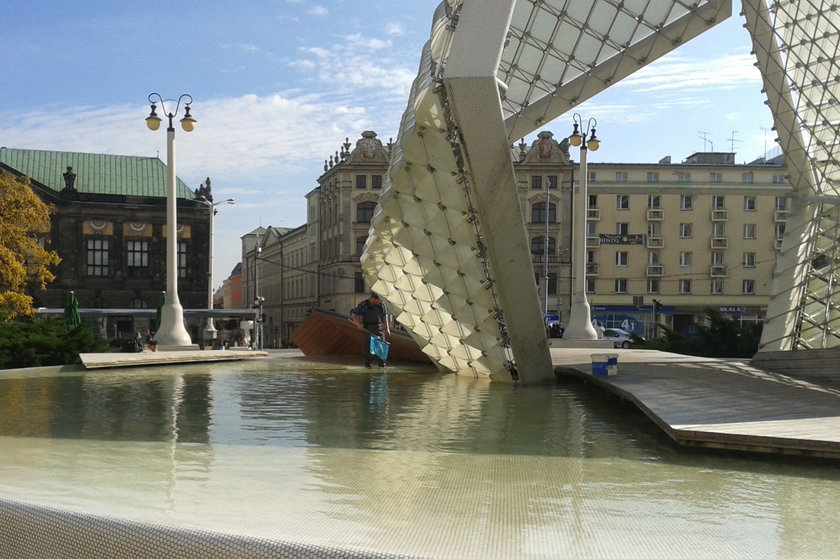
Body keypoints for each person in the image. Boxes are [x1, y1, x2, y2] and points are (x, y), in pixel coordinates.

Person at [351, 292, 391, 367]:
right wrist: (358, 324)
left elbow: (385, 317)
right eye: (378, 300)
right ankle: (368, 364)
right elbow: (353, 315)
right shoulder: (364, 305)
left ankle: (382, 364)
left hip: (379, 329)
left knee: (381, 349)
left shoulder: (382, 305)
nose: (380, 301)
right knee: (368, 349)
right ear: (373, 299)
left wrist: (387, 329)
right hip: (368, 329)